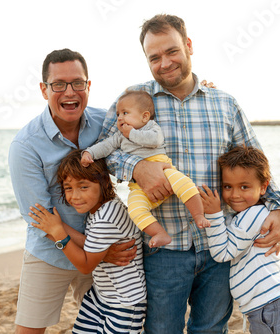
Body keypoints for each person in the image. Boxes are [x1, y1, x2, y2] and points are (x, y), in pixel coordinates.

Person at [100, 14, 280, 333]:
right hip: (165, 250)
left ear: (188, 46)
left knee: (211, 329)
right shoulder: (133, 101)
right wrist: (136, 167)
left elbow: (257, 162)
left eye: (172, 51)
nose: (164, 63)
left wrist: (279, 208)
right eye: (154, 57)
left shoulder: (225, 104)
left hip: (220, 245)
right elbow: (103, 152)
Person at [8, 49, 136, 334]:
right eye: (58, 84)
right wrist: (100, 250)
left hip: (104, 247)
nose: (70, 92)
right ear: (44, 90)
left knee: (116, 325)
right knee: (28, 330)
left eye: (78, 83)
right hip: (51, 251)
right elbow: (42, 219)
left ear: (88, 86)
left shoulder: (107, 123)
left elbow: (149, 123)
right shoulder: (25, 146)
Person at [29, 149, 147, 333]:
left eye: (83, 187)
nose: (75, 196)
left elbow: (85, 266)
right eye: (68, 188)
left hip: (124, 302)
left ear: (104, 183)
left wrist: (58, 232)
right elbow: (91, 245)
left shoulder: (105, 219)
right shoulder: (105, 206)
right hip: (102, 295)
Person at [81, 90, 210, 248]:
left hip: (163, 168)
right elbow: (105, 146)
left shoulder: (151, 127)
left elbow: (155, 140)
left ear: (145, 116)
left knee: (185, 183)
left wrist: (132, 134)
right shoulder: (120, 136)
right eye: (118, 114)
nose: (120, 117)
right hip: (139, 185)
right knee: (134, 209)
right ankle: (159, 233)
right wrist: (89, 153)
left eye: (125, 113)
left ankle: (198, 215)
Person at [200, 146, 280, 333]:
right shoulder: (245, 214)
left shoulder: (254, 216)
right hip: (268, 305)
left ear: (264, 187)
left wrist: (214, 214)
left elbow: (223, 254)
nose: (235, 195)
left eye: (244, 187)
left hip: (272, 306)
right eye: (227, 187)